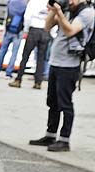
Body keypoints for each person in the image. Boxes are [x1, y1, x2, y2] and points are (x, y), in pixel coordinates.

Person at [28, 0, 94, 152]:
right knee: (52, 102)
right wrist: (54, 9)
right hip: (56, 63)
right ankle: (50, 135)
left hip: (70, 66)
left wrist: (59, 12)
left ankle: (64, 140)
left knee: (65, 104)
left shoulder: (87, 13)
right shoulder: (68, 10)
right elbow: (47, 26)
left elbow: (71, 30)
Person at [10, 0, 51, 88]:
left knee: (25, 56)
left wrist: (26, 29)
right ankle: (38, 82)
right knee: (41, 58)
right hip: (45, 30)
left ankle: (18, 79)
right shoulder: (49, 2)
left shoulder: (33, 2)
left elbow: (27, 16)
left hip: (34, 29)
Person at [0, 0, 28, 78]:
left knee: (2, 51)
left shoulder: (11, 2)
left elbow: (7, 14)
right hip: (18, 31)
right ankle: (8, 73)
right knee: (14, 53)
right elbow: (26, 18)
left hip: (8, 28)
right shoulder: (24, 4)